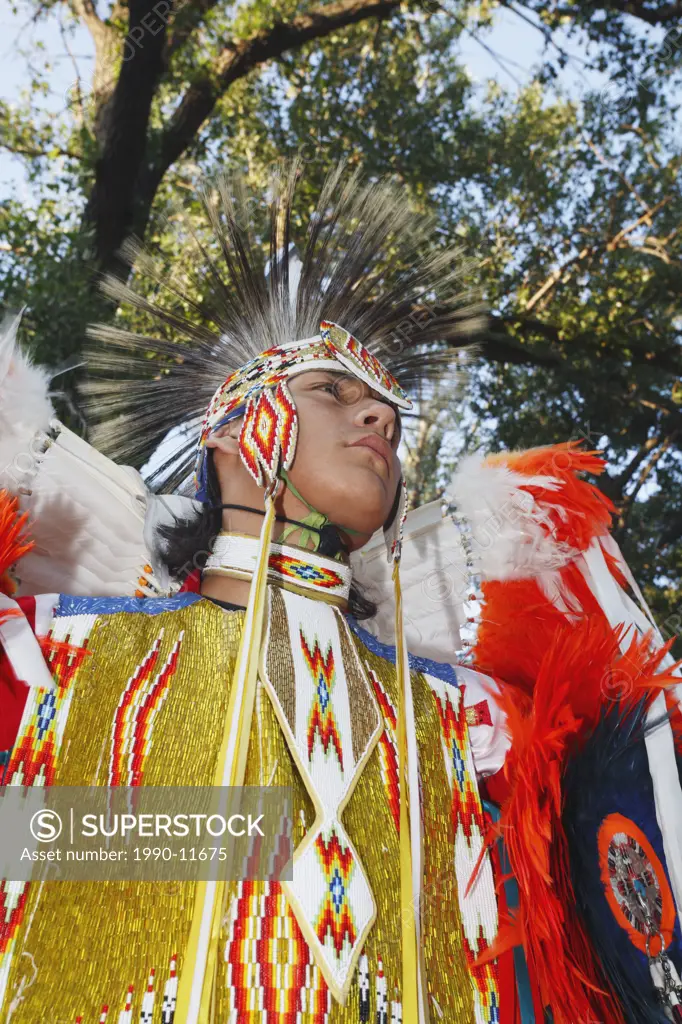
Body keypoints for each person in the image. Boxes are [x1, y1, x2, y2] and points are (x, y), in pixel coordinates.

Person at [1, 163, 681, 1024]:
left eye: (390, 418)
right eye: (331, 391)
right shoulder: (54, 654)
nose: (380, 421)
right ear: (233, 435)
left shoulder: (474, 728)